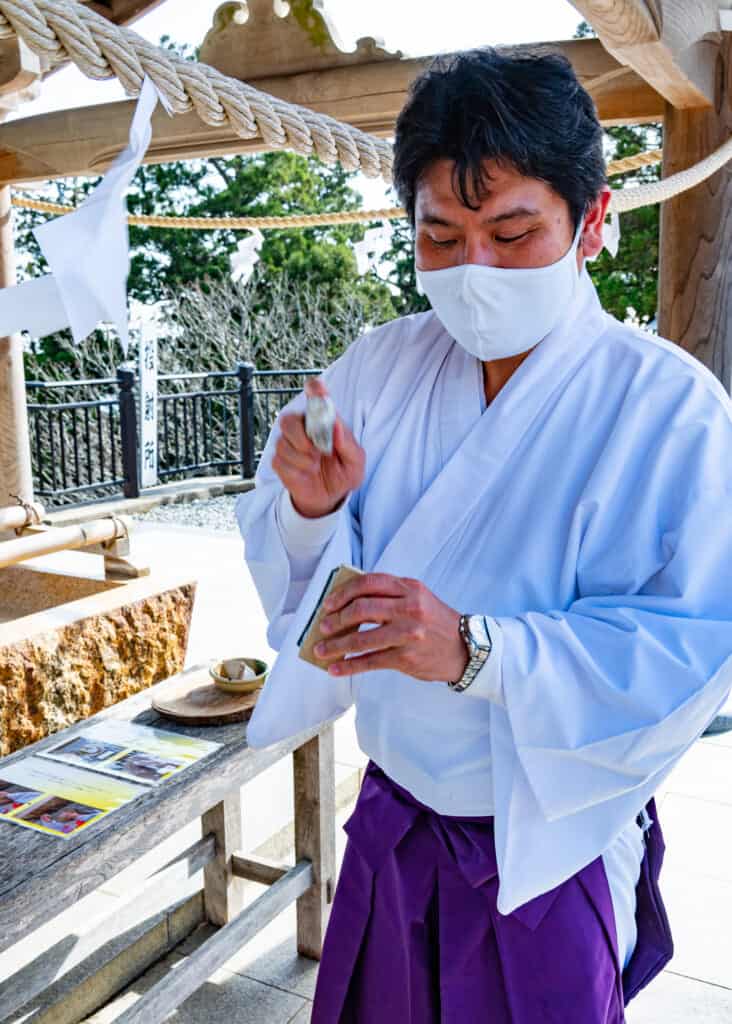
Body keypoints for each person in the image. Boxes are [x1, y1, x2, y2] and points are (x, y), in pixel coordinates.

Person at [236, 47, 732, 1023]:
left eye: (512, 232)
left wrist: (479, 650)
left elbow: (696, 641)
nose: (475, 273)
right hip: (394, 817)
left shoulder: (672, 413)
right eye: (442, 237)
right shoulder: (380, 367)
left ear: (592, 222)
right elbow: (296, 574)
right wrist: (313, 510)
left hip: (548, 843)